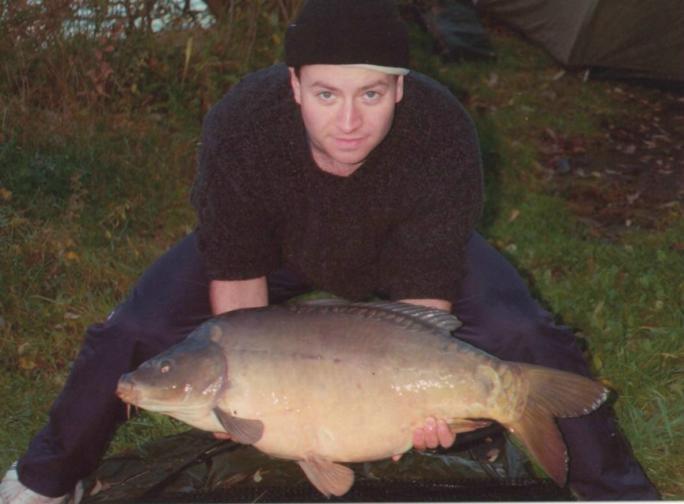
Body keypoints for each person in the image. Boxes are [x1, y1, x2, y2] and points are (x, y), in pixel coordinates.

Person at [0, 1, 659, 502]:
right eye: (326, 95)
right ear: (293, 86)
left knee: (524, 332)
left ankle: (615, 489)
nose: (348, 123)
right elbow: (236, 298)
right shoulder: (244, 124)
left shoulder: (440, 132)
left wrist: (415, 407)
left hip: (401, 248)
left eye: (371, 94)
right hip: (276, 242)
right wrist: (255, 399)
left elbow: (422, 308)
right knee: (135, 330)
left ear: (401, 87)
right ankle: (47, 477)